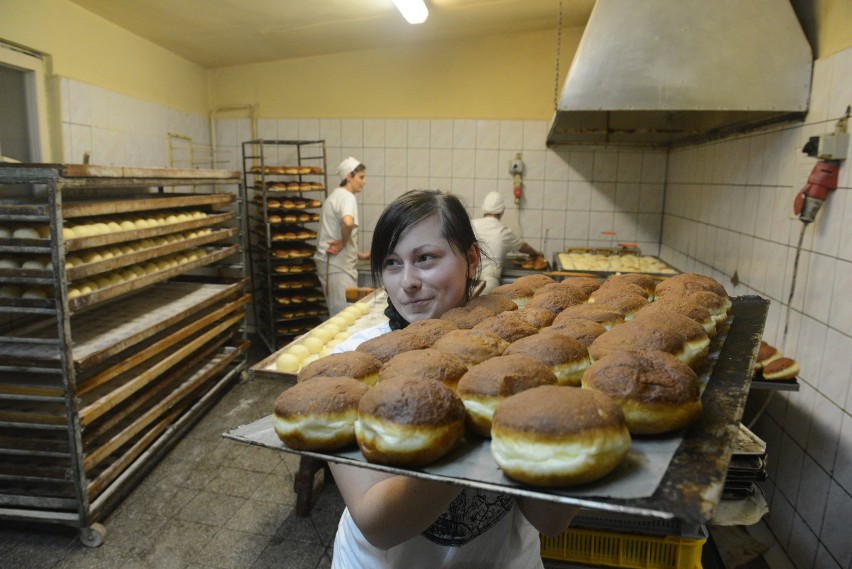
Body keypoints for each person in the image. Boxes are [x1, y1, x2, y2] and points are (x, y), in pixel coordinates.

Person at [328, 189, 578, 568]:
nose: (407, 281)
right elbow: (378, 524)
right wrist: (473, 423)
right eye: (393, 264)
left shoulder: (522, 360)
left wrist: (553, 405)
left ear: (471, 259)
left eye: (425, 258)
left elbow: (551, 521)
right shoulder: (350, 368)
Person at [314, 157, 371, 316]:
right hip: (336, 267)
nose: (364, 181)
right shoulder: (347, 197)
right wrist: (342, 243)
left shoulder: (336, 196)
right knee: (344, 314)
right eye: (361, 177)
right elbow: (347, 223)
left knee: (341, 312)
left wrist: (361, 255)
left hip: (334, 265)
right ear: (349, 177)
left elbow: (338, 231)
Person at [471, 191, 544, 294]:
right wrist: (535, 253)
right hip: (488, 285)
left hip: (467, 281)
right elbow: (523, 246)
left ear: (483, 208)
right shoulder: (503, 231)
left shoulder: (471, 224)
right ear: (502, 211)